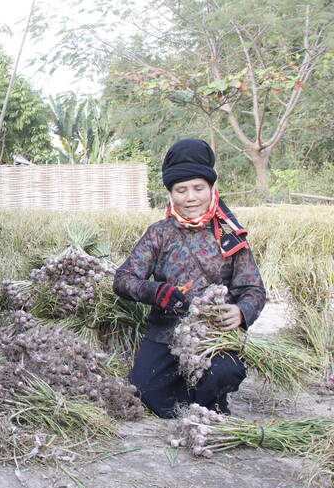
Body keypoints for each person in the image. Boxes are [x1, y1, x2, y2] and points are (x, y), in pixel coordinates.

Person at [113, 139, 266, 418]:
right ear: (171, 194)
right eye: (181, 190)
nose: (191, 197)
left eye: (198, 188)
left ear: (211, 189)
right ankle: (194, 394)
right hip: (167, 332)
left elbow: (253, 289)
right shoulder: (159, 233)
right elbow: (123, 279)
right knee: (144, 390)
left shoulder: (230, 235)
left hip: (214, 335)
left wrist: (242, 312)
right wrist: (155, 292)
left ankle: (209, 398)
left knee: (224, 373)